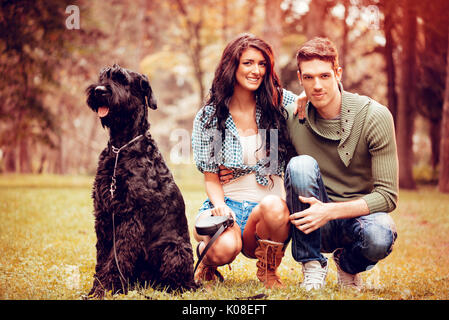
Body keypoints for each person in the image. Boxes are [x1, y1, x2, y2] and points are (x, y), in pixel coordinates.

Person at [283, 37, 398, 291]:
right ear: (300, 79)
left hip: (358, 222)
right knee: (299, 165)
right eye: (309, 78)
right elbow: (256, 97)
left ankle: (347, 266)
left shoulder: (374, 116)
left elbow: (388, 196)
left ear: (338, 73)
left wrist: (329, 210)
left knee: (380, 236)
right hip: (312, 224)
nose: (317, 85)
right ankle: (312, 266)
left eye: (325, 76)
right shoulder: (293, 116)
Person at [191, 33, 298, 288]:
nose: (256, 70)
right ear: (232, 66)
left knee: (274, 205)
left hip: (266, 215)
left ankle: (269, 271)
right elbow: (211, 178)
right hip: (226, 205)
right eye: (248, 63)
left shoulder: (280, 104)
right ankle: (206, 260)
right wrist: (220, 207)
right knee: (223, 249)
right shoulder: (211, 116)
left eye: (262, 64)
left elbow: (313, 104)